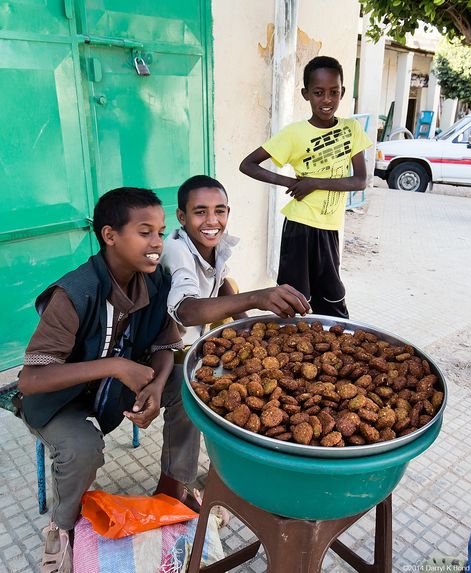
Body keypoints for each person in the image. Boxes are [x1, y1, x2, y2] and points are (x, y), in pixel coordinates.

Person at [18, 187, 200, 573]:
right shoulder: (75, 292)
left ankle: (173, 489)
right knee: (83, 448)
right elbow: (31, 380)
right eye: (144, 232)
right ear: (110, 235)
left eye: (161, 232)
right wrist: (116, 365)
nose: (156, 244)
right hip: (59, 399)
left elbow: (167, 345)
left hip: (113, 390)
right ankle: (61, 530)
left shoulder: (155, 282)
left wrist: (155, 383)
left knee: (187, 388)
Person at [239, 55, 372, 318]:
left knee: (332, 298)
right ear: (306, 94)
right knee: (293, 300)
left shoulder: (351, 129)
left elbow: (360, 180)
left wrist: (313, 183)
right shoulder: (294, 133)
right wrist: (288, 182)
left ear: (342, 92)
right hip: (299, 227)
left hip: (330, 229)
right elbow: (248, 164)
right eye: (319, 93)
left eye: (334, 92)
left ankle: (336, 349)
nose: (327, 100)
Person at [159, 174, 311, 351]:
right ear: (181, 216)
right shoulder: (176, 249)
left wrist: (247, 326)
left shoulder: (213, 238)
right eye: (200, 212)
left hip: (202, 328)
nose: (212, 220)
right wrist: (255, 298)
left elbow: (221, 281)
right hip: (175, 347)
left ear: (227, 212)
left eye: (219, 211)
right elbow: (186, 311)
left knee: (231, 284)